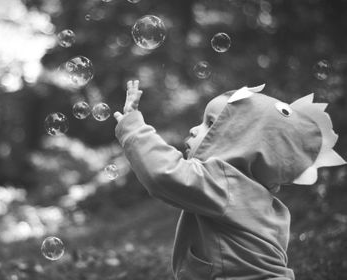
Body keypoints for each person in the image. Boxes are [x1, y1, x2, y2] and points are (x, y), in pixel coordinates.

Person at [113, 80, 346, 280]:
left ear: (243, 141)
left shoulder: (225, 183)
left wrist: (134, 129)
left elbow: (164, 174)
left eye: (211, 124)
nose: (194, 129)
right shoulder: (264, 199)